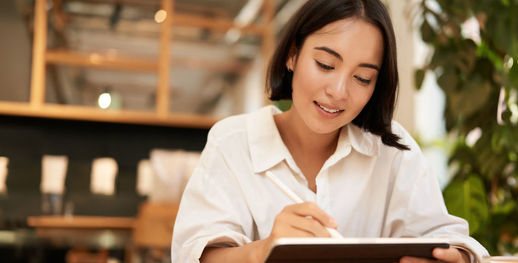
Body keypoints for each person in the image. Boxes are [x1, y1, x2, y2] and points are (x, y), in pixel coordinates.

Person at [171, 0, 488, 262]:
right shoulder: (233, 143)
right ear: (293, 54)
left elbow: (454, 241)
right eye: (325, 64)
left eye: (362, 78)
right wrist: (264, 250)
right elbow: (196, 254)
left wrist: (456, 257)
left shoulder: (393, 152)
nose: (338, 91)